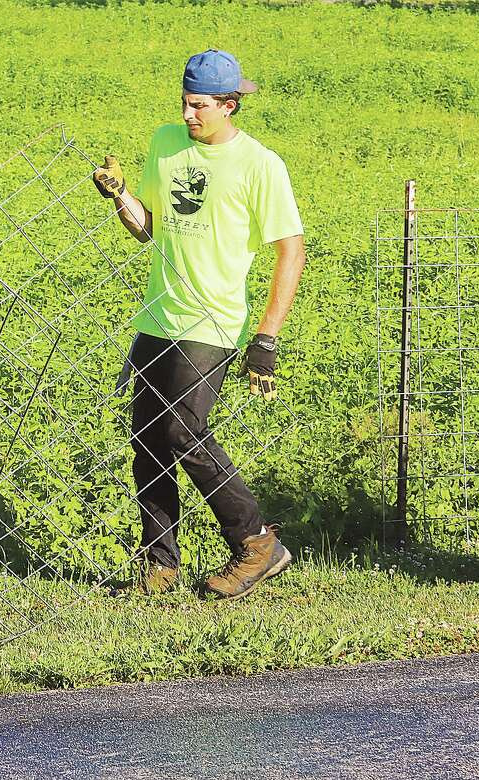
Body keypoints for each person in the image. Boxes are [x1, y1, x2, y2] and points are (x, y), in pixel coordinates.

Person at [94, 50, 306, 600]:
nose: (189, 114)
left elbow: (291, 250)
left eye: (200, 106)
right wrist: (120, 198)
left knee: (183, 430)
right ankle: (159, 565)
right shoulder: (166, 143)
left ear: (230, 105)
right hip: (159, 313)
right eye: (185, 103)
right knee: (148, 440)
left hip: (212, 319)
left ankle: (258, 544)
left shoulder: (261, 165)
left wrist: (267, 337)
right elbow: (148, 229)